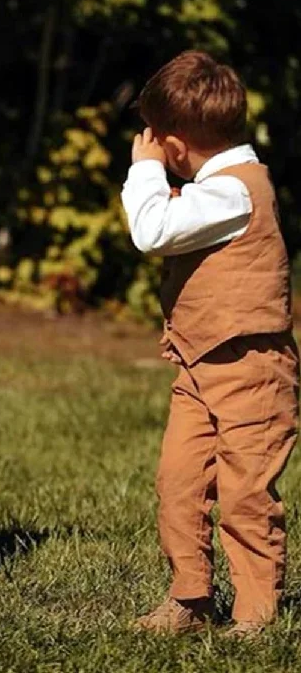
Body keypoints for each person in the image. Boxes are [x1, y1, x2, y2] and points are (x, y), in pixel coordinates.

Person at [121, 51, 299, 637]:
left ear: (173, 145)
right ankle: (189, 598)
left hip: (253, 371)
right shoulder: (215, 191)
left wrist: (144, 169)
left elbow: (151, 230)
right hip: (200, 367)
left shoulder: (235, 192)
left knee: (245, 493)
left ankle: (255, 612)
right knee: (180, 481)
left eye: (155, 142)